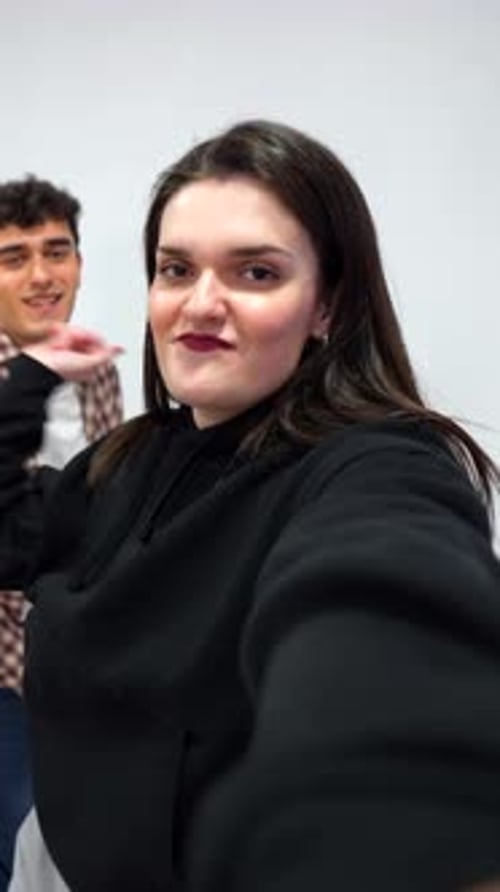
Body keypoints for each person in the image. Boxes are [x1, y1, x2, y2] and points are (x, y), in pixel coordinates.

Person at [2, 120, 500, 892]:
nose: (201, 304)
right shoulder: (126, 457)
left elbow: (382, 589)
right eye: (176, 269)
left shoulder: (374, 465)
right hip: (51, 857)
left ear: (328, 305)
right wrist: (29, 382)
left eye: (256, 273)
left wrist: (394, 788)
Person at [0, 176, 123, 891]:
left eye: (56, 251)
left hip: (78, 662)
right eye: (13, 258)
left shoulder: (96, 370)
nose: (42, 275)